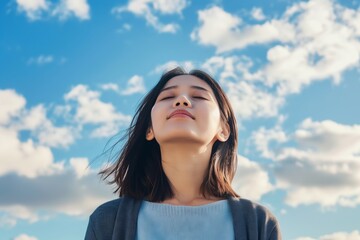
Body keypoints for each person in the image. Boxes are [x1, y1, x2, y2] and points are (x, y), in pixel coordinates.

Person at [84, 67, 282, 240]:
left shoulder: (259, 223)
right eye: (168, 97)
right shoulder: (107, 221)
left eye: (199, 96)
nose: (182, 100)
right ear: (149, 129)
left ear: (223, 130)